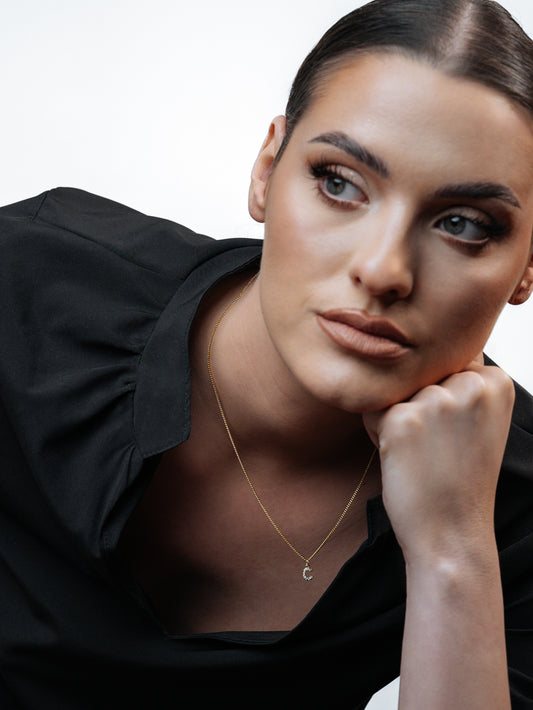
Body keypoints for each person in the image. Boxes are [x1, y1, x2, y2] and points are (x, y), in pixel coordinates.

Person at [1, 0, 532, 707]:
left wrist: (452, 551)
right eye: (339, 182)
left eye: (463, 224)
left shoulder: (517, 510)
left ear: (528, 265)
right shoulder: (28, 284)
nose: (382, 270)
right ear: (266, 168)